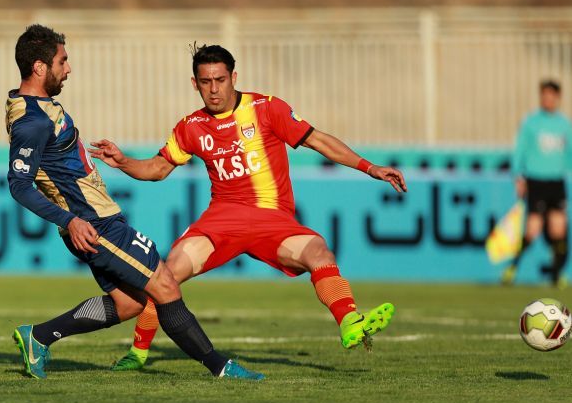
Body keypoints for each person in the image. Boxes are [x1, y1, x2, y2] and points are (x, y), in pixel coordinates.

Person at [88, 44, 407, 371]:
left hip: (273, 221)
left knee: (319, 252)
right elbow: (157, 169)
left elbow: (318, 140)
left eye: (220, 80)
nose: (214, 89)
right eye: (205, 82)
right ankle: (138, 352)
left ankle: (350, 321)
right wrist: (124, 162)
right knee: (164, 276)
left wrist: (370, 167)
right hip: (222, 222)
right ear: (195, 84)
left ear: (234, 77)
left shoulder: (267, 108)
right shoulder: (191, 126)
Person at [6, 25, 263, 380]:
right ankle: (220, 367)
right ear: (39, 67)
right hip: (93, 224)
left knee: (130, 303)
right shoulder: (32, 121)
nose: (68, 69)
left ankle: (39, 337)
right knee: (165, 285)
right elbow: (19, 185)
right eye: (62, 61)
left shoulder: (39, 108)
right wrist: (70, 221)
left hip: (95, 219)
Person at [503, 79, 572, 288]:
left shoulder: (564, 125)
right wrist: (518, 176)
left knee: (559, 229)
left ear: (557, 98)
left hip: (556, 181)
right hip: (536, 180)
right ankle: (512, 267)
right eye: (544, 95)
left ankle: (556, 274)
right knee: (532, 229)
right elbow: (519, 150)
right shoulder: (531, 123)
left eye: (551, 96)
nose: (547, 99)